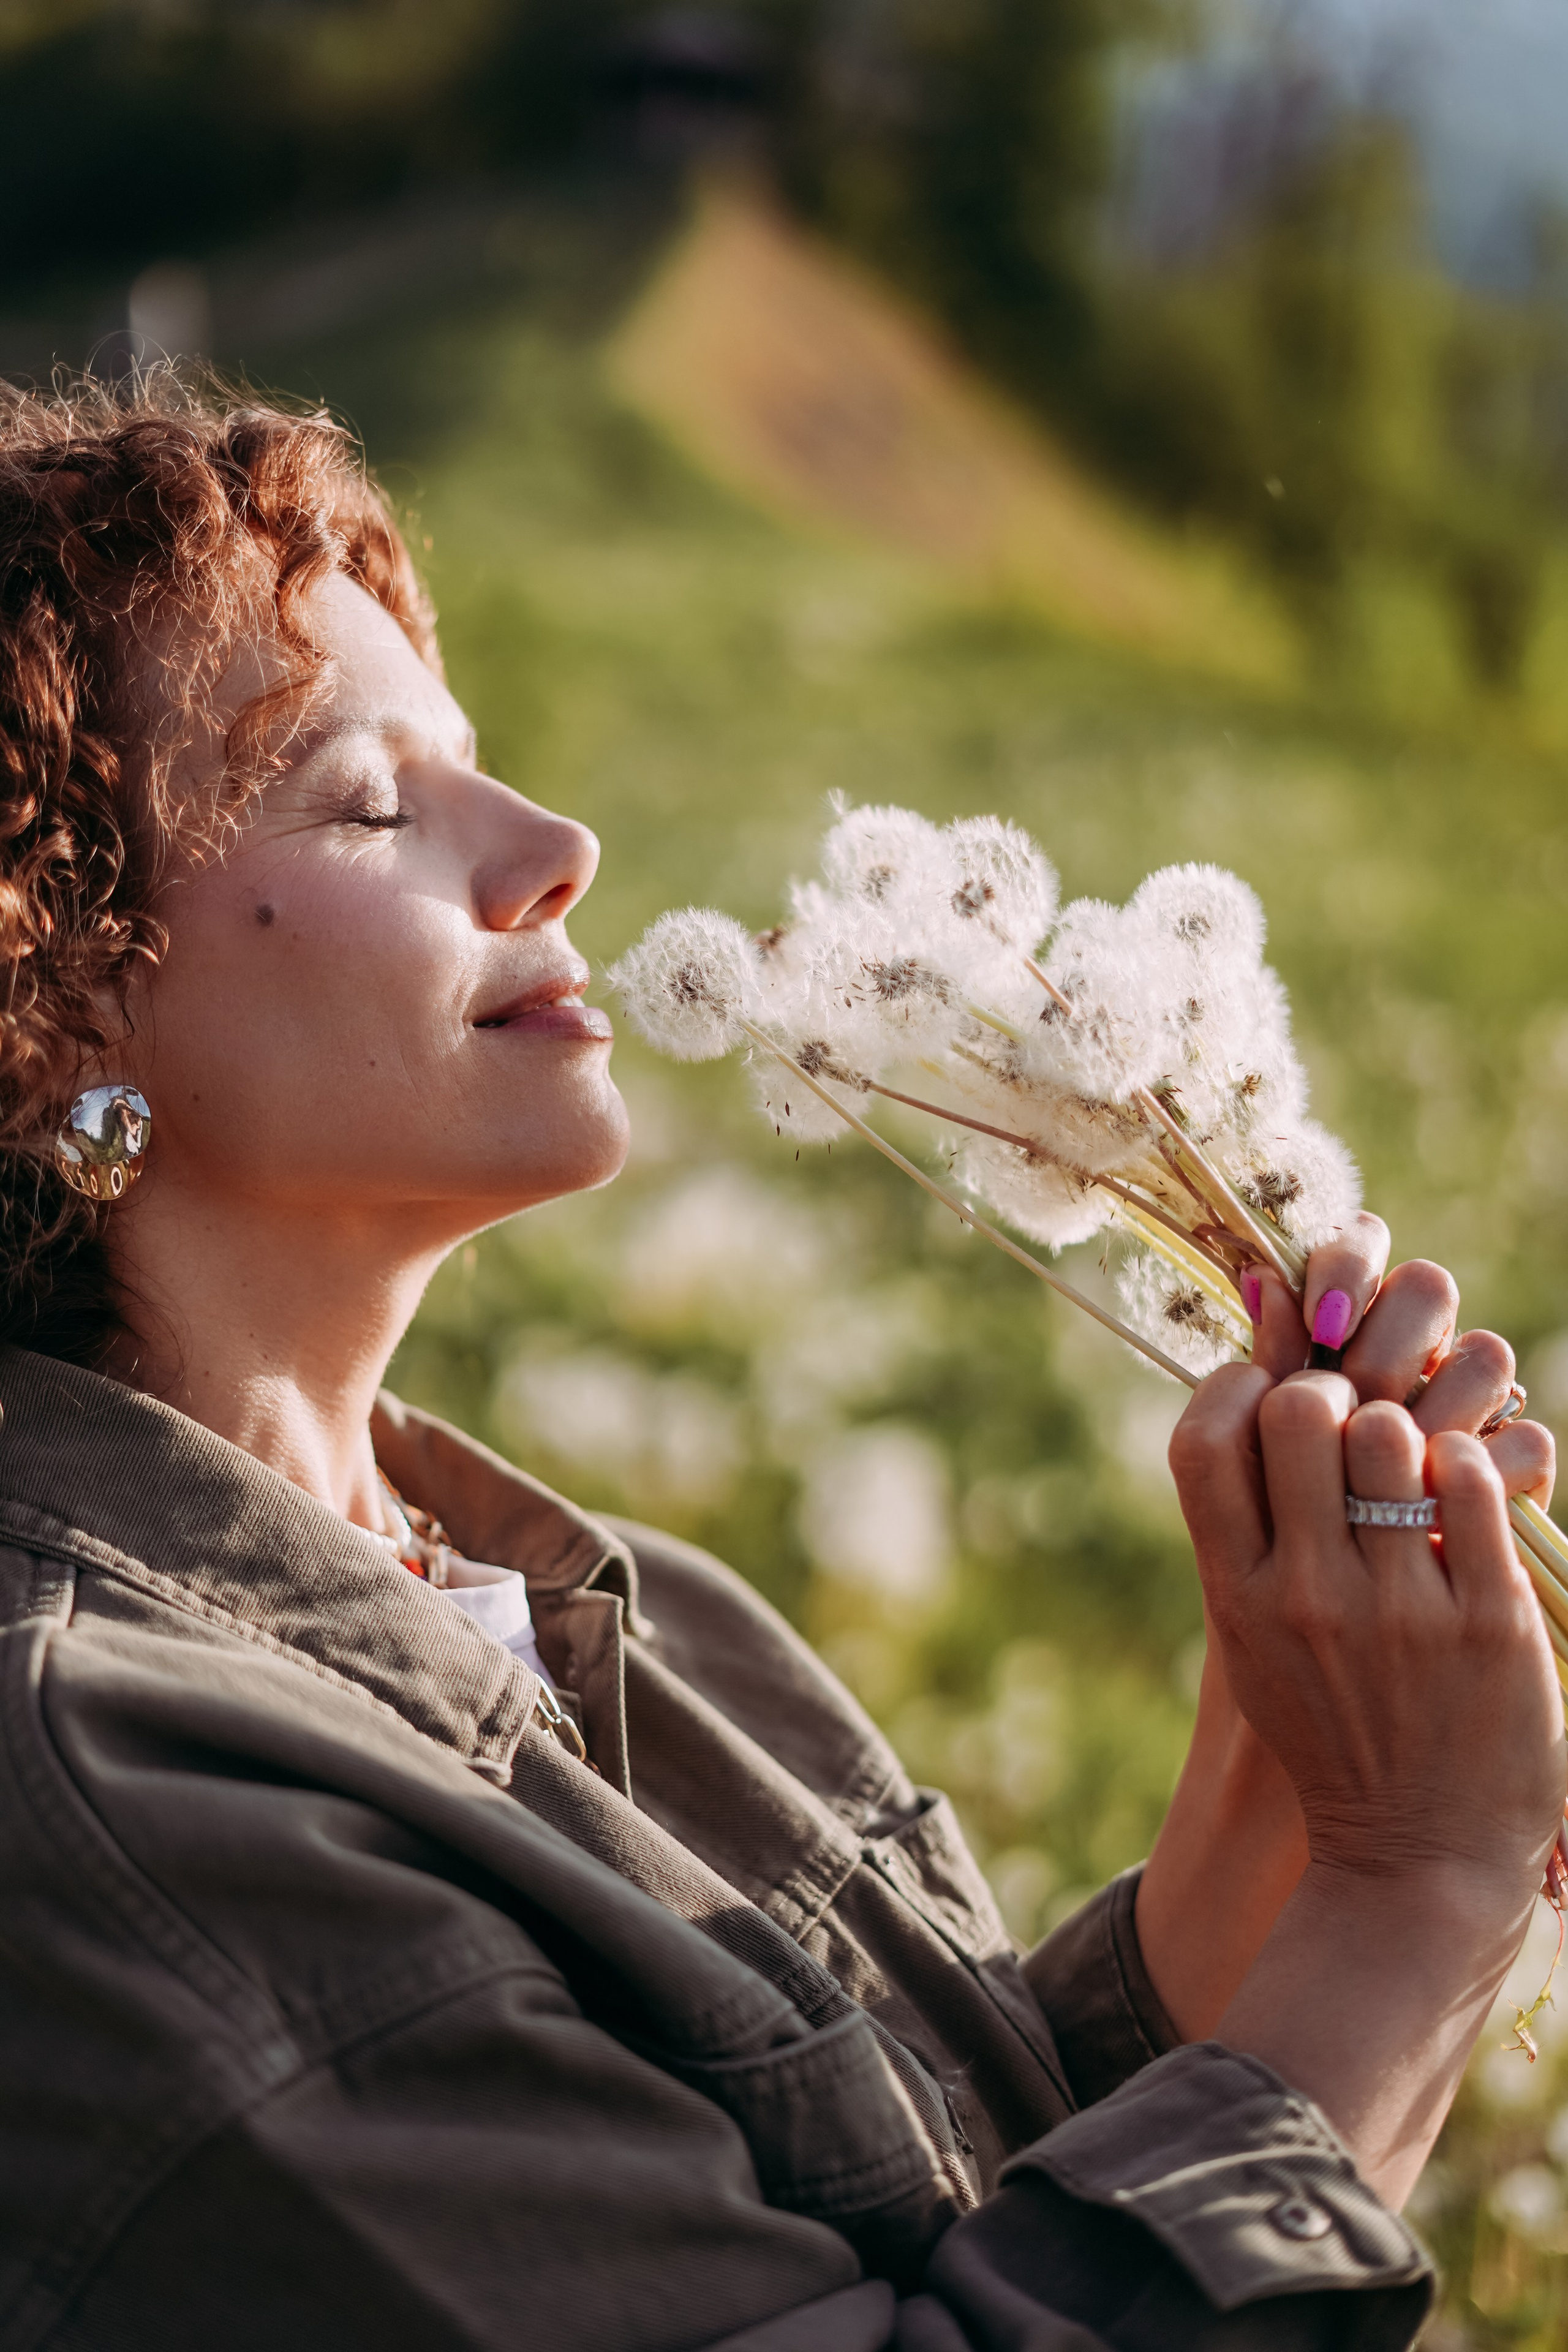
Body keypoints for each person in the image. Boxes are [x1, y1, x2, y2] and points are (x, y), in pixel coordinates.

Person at [0, 374, 1559, 2352]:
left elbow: (981, 2210)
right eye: (370, 799)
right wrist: (1418, 1891)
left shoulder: (651, 1631)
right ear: (43, 997)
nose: (558, 843)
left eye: (478, 760)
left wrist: (1298, 1775)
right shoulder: (111, 1806)